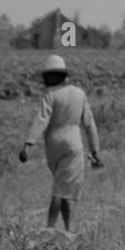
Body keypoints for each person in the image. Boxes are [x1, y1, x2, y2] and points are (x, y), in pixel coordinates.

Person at [20, 54, 102, 230]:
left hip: (54, 143)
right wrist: (95, 150)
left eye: (48, 76)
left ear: (54, 76)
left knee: (60, 188)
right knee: (63, 187)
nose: (46, 79)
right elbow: (89, 123)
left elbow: (41, 119)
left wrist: (29, 143)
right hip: (74, 141)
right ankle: (65, 228)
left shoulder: (50, 94)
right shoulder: (79, 94)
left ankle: (52, 229)